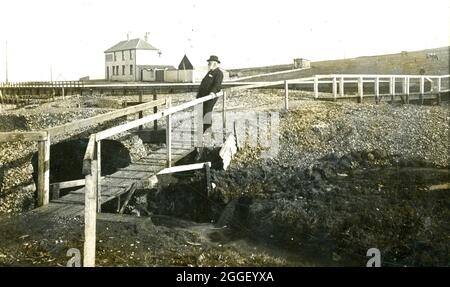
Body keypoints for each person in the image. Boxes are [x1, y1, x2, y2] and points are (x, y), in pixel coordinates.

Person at [197, 55, 224, 133]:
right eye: (208, 63)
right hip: (204, 96)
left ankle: (207, 130)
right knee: (203, 112)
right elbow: (204, 84)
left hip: (211, 96)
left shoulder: (219, 73)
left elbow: (217, 84)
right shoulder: (210, 72)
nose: (208, 65)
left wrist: (212, 92)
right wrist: (198, 96)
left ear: (215, 64)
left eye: (210, 63)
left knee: (207, 111)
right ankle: (205, 129)